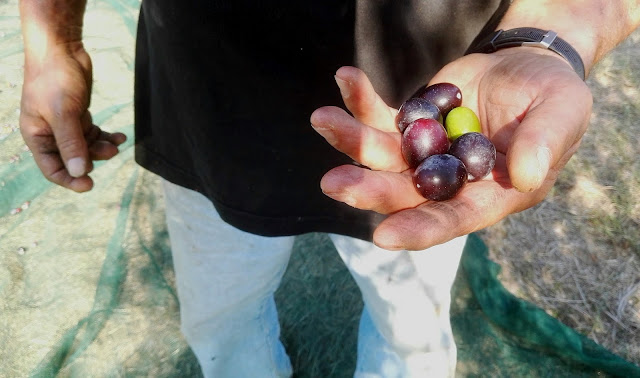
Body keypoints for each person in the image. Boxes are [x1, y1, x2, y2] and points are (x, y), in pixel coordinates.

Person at [18, 0, 640, 376]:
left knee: (412, 335)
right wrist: (53, 42)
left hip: (424, 92)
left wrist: (545, 38)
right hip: (211, 98)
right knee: (219, 318)